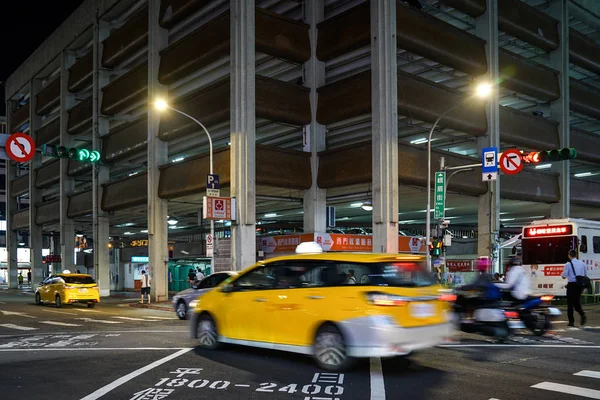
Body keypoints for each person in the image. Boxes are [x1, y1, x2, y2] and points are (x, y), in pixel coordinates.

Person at [561, 249, 587, 327]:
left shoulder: (568, 264)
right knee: (576, 303)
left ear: (569, 255)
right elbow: (585, 274)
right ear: (576, 255)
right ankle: (582, 315)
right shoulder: (582, 263)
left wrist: (564, 275)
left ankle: (571, 321)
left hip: (571, 285)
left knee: (570, 304)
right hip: (579, 285)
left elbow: (563, 276)